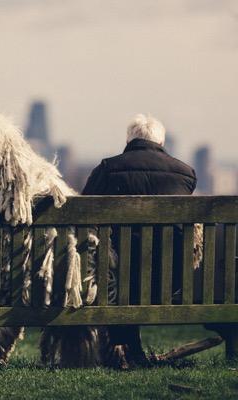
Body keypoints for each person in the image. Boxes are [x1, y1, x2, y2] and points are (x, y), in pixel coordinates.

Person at [82, 114, 197, 367]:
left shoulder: (107, 169)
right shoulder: (185, 173)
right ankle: (131, 351)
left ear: (129, 139)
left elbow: (83, 214)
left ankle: (123, 350)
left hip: (114, 276)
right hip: (169, 277)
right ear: (161, 141)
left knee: (120, 265)